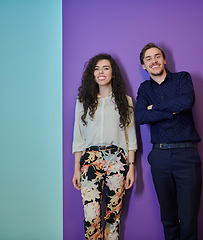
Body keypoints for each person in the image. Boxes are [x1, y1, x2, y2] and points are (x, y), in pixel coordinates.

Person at [135, 43, 202, 240]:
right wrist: (170, 111)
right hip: (160, 156)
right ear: (143, 66)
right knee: (168, 219)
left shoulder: (182, 78)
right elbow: (140, 117)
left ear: (164, 60)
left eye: (157, 56)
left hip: (187, 155)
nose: (153, 61)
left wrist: (153, 108)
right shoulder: (144, 88)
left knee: (189, 219)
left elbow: (186, 102)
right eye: (148, 59)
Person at [72, 53, 137, 240]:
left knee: (113, 217)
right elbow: (78, 137)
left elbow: (130, 138)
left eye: (106, 68)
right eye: (97, 68)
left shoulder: (125, 101)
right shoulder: (83, 102)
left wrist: (131, 167)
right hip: (89, 160)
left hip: (118, 160)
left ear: (113, 73)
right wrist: (77, 168)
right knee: (91, 217)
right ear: (92, 74)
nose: (101, 72)